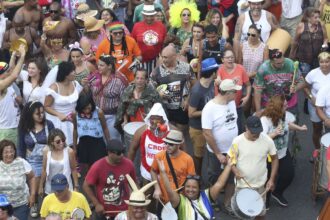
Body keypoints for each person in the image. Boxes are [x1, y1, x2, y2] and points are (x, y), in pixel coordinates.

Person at [228, 116, 279, 220]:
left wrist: (272, 179)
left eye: (258, 132)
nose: (256, 135)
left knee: (260, 213)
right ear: (246, 128)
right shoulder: (237, 141)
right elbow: (230, 158)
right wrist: (235, 170)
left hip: (260, 186)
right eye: (253, 133)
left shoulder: (268, 141)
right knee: (243, 214)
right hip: (242, 186)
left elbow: (275, 159)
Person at [261, 95, 307, 207]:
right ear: (278, 108)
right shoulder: (265, 120)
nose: (287, 106)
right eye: (285, 105)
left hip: (282, 152)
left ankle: (277, 192)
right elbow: (261, 140)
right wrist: (274, 133)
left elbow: (288, 124)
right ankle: (265, 200)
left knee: (289, 175)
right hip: (269, 156)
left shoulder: (283, 115)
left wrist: (300, 128)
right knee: (267, 179)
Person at [202, 79, 240, 213]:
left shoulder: (231, 103)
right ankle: (212, 200)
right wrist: (218, 153)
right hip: (216, 152)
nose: (236, 93)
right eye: (234, 91)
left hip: (232, 150)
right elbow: (207, 133)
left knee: (231, 178)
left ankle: (227, 202)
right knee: (215, 176)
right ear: (228, 92)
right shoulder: (210, 108)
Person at [127, 102, 170, 213]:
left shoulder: (172, 132)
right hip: (147, 173)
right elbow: (132, 150)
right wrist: (127, 171)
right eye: (152, 119)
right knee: (147, 199)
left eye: (158, 119)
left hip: (166, 173)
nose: (155, 122)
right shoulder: (141, 131)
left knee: (166, 200)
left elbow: (182, 151)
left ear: (163, 119)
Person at [157, 157, 232, 220]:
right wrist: (163, 172)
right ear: (183, 188)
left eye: (194, 187)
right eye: (188, 186)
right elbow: (169, 190)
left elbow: (219, 183)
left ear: (199, 188)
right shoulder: (179, 201)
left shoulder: (206, 196)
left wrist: (229, 166)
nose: (190, 190)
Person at [83, 139, 136, 220]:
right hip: (106, 212)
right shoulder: (97, 166)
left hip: (125, 211)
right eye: (118, 153)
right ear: (109, 152)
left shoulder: (129, 164)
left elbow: (134, 185)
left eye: (123, 151)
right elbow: (86, 186)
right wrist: (96, 204)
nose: (121, 155)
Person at [18, 101, 55, 217]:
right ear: (30, 115)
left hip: (49, 158)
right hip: (33, 161)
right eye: (37, 114)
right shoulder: (24, 127)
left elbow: (56, 139)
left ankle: (49, 205)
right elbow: (21, 147)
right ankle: (34, 203)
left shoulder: (49, 124)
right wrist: (20, 164)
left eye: (42, 113)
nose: (41, 116)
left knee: (49, 184)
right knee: (36, 180)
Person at [151, 130, 195, 216]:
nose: (167, 146)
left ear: (179, 145)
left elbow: (192, 180)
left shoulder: (188, 159)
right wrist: (157, 188)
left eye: (171, 144)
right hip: (163, 199)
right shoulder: (159, 156)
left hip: (180, 200)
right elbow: (153, 171)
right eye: (166, 143)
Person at [151, 45, 195, 129]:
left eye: (166, 57)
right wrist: (158, 94)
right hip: (165, 107)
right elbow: (151, 89)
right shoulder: (156, 72)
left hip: (181, 108)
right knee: (166, 132)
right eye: (162, 57)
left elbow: (194, 85)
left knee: (180, 133)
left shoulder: (186, 68)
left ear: (174, 57)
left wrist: (188, 99)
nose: (163, 60)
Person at [188, 58, 218, 176]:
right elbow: (191, 113)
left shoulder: (211, 83)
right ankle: (197, 177)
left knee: (211, 152)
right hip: (198, 129)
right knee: (198, 156)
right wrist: (208, 110)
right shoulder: (197, 91)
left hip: (209, 126)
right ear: (213, 73)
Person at [254, 48, 305, 115]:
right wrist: (258, 110)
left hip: (289, 102)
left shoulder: (290, 64)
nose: (282, 64)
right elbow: (257, 90)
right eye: (278, 63)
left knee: (292, 122)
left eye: (283, 61)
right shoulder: (263, 69)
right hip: (270, 103)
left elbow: (302, 81)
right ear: (271, 61)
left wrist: (296, 88)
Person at [89, 55, 128, 141]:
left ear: (110, 66)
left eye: (101, 65)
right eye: (98, 65)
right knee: (98, 141)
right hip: (96, 116)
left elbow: (124, 101)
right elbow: (89, 94)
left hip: (112, 116)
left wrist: (125, 119)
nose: (98, 67)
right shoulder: (94, 77)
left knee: (112, 141)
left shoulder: (119, 79)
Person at [44, 61, 83, 147]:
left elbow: (77, 100)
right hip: (58, 121)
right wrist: (59, 114)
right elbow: (46, 106)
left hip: (73, 120)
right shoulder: (54, 88)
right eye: (72, 71)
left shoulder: (75, 84)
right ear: (66, 74)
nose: (75, 73)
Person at [216, 49, 251, 134]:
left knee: (238, 129)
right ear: (222, 60)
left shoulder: (241, 69)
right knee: (226, 129)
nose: (230, 59)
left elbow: (248, 85)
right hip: (224, 106)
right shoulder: (220, 70)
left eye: (232, 57)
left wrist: (247, 97)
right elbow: (218, 85)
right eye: (227, 57)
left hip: (237, 106)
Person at [72, 91, 110, 168]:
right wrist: (75, 148)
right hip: (83, 143)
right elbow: (75, 130)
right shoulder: (75, 114)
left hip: (97, 143)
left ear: (91, 104)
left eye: (88, 108)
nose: (86, 111)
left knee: (98, 166)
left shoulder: (99, 112)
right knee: (87, 167)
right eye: (84, 109)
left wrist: (109, 145)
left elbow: (105, 128)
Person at [0, 139, 36, 220]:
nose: (9, 154)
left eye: (11, 151)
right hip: (2, 207)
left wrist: (33, 195)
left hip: (21, 205)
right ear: (1, 153)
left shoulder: (22, 162)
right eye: (6, 152)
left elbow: (32, 177)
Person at [304, 52, 330, 160]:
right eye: (322, 62)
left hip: (328, 107)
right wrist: (311, 97)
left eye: (327, 61)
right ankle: (318, 150)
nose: (324, 64)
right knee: (317, 128)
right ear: (318, 62)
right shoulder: (312, 73)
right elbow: (305, 87)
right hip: (315, 105)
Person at [39, 129, 79, 196]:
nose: (61, 143)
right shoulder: (46, 151)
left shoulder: (69, 151)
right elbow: (44, 170)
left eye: (63, 140)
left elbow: (74, 170)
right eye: (58, 142)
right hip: (50, 187)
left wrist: (76, 187)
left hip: (66, 187)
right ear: (52, 142)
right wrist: (41, 186)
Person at [290, 7, 328, 77]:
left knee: (317, 76)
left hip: (317, 58)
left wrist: (325, 44)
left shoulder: (321, 25)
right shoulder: (301, 26)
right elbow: (295, 41)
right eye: (315, 17)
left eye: (318, 17)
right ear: (308, 18)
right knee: (306, 77)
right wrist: (292, 54)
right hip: (304, 59)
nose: (318, 19)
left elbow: (325, 38)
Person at [0, 47, 26, 145]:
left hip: (15, 126)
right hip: (6, 130)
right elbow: (14, 75)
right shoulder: (1, 85)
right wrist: (22, 56)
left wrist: (13, 56)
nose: (10, 72)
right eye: (7, 72)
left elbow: (11, 70)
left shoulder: (9, 85)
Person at [131, 4, 166, 74]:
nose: (149, 18)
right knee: (141, 81)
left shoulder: (161, 27)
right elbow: (132, 43)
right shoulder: (137, 26)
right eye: (147, 16)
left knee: (155, 81)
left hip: (156, 60)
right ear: (143, 15)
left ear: (154, 15)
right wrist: (135, 56)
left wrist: (162, 58)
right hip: (140, 60)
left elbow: (164, 44)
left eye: (151, 16)